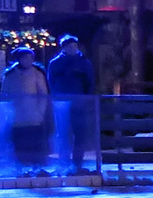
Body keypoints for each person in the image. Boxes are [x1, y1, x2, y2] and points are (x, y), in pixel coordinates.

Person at [42, 35, 97, 174]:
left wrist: (86, 99)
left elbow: (90, 82)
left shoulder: (84, 62)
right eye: (69, 46)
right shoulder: (55, 63)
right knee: (63, 133)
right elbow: (51, 82)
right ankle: (64, 161)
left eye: (74, 46)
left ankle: (77, 162)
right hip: (62, 103)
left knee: (80, 133)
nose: (72, 48)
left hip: (79, 102)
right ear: (64, 47)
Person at [3, 46, 50, 175]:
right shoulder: (10, 75)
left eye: (30, 58)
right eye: (25, 58)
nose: (28, 60)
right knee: (20, 143)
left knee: (35, 143)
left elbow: (43, 94)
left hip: (34, 116)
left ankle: (36, 168)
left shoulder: (37, 73)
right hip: (18, 118)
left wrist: (40, 111)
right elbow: (5, 94)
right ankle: (21, 168)